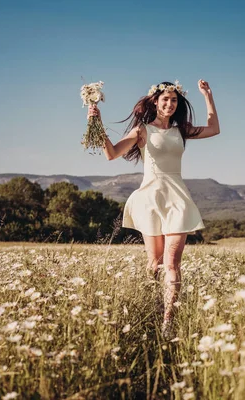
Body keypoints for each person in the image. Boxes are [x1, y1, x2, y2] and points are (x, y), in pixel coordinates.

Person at [87, 79, 220, 338]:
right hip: (150, 197)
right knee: (155, 263)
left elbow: (214, 129)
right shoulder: (142, 131)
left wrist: (208, 96)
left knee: (172, 263)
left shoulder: (182, 130)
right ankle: (153, 305)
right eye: (165, 100)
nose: (170, 104)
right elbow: (111, 154)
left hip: (177, 199)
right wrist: (96, 122)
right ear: (156, 102)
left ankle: (168, 320)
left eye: (174, 100)